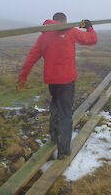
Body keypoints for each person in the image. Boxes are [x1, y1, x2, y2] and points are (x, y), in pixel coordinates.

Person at [16, 12, 97, 159]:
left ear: (53, 21)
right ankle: (64, 151)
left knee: (54, 106)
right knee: (65, 113)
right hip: (67, 81)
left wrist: (22, 78)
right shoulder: (70, 31)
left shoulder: (43, 37)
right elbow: (92, 40)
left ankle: (54, 136)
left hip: (52, 81)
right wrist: (89, 27)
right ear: (65, 21)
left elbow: (31, 58)